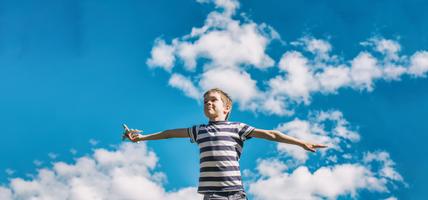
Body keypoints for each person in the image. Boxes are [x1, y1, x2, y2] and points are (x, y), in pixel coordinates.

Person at [123, 88, 327, 200]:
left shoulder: (238, 127)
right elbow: (169, 134)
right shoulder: (199, 130)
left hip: (236, 194)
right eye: (205, 102)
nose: (208, 103)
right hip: (212, 195)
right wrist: (141, 138)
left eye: (213, 100)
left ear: (227, 107)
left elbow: (271, 134)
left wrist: (302, 143)